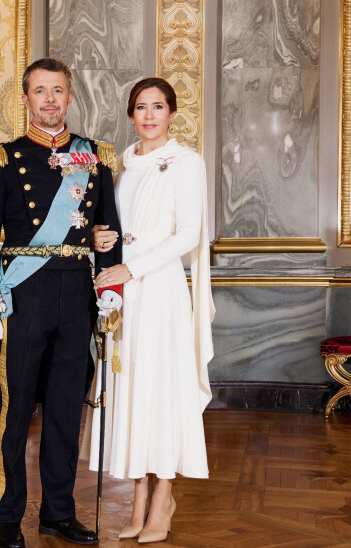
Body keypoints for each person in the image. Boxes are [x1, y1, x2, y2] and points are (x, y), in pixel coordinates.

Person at [0, 57, 123, 548]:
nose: (50, 100)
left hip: (76, 294)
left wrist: (110, 286)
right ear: (26, 98)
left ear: (70, 97)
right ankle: (8, 516)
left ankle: (58, 512)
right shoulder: (1, 159)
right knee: (14, 414)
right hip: (23, 296)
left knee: (63, 411)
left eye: (58, 91)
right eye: (40, 91)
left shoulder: (94, 159)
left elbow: (108, 227)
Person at [85, 77, 215, 544]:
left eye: (158, 107)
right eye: (140, 107)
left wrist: (129, 268)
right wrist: (101, 242)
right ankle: (138, 494)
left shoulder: (186, 162)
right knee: (130, 389)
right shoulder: (120, 166)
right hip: (124, 292)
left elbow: (187, 235)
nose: (149, 115)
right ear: (131, 114)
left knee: (159, 390)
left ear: (172, 114)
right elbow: (114, 229)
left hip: (157, 290)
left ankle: (163, 495)